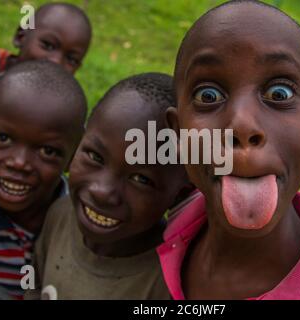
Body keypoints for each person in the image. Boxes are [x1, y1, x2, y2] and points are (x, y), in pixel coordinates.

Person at [159, 0, 300, 300]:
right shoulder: (162, 213)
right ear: (178, 134)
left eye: (278, 93)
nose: (243, 126)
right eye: (208, 95)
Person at [25, 73, 191, 299]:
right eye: (95, 156)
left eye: (141, 179)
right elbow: (33, 277)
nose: (102, 192)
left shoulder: (168, 281)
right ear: (77, 146)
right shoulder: (60, 215)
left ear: (180, 195)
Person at [0, 60, 87, 299]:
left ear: (74, 155)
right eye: (2, 138)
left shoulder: (82, 226)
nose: (19, 163)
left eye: (47, 151)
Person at [0, 2, 91, 74]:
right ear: (21, 36)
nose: (56, 62)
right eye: (48, 45)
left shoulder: (63, 97)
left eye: (71, 59)